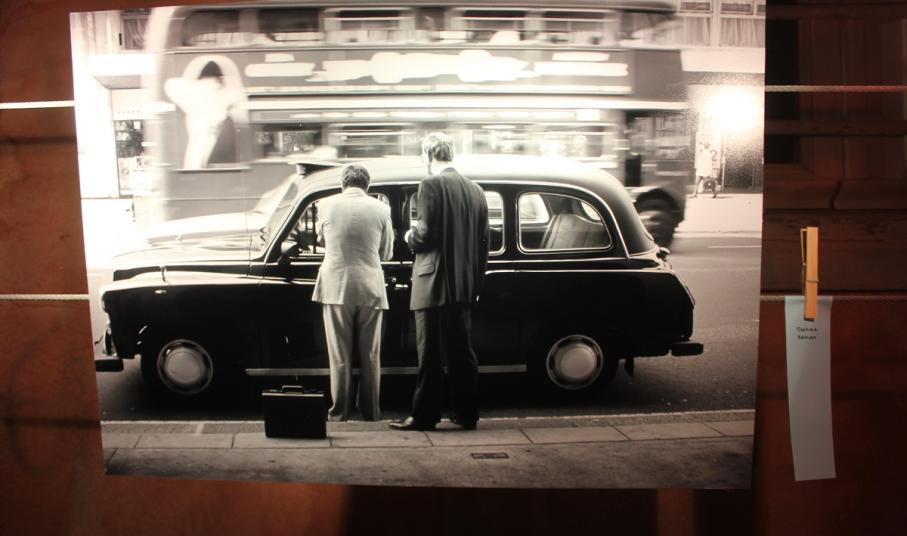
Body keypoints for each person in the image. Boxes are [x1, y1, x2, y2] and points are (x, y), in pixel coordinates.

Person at [389, 132, 489, 431]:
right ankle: (467, 414)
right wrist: (474, 283)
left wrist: (409, 235)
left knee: (430, 354)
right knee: (462, 352)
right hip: (464, 285)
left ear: (429, 154)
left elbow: (425, 234)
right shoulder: (476, 190)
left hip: (432, 283)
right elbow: (483, 243)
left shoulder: (430, 184)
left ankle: (424, 416)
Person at [312, 164, 394, 421]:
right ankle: (371, 411)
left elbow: (321, 240)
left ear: (342, 184)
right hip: (370, 286)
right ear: (367, 186)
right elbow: (386, 253)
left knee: (339, 354)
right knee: (370, 354)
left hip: (336, 286)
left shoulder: (325, 205)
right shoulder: (382, 208)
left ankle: (340, 412)